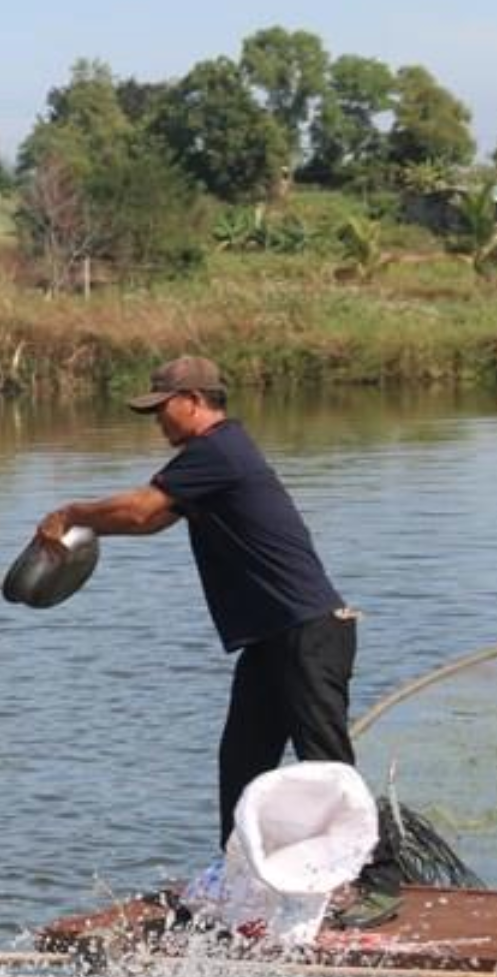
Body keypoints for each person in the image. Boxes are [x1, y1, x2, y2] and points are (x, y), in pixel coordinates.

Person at [35, 355, 401, 926]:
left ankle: (377, 882)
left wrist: (71, 512)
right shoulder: (206, 462)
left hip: (309, 629)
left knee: (326, 761)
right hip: (272, 637)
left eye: (163, 408)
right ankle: (240, 880)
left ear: (197, 400)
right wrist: (88, 525)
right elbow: (154, 520)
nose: (157, 420)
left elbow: (139, 510)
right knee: (242, 762)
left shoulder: (218, 450)